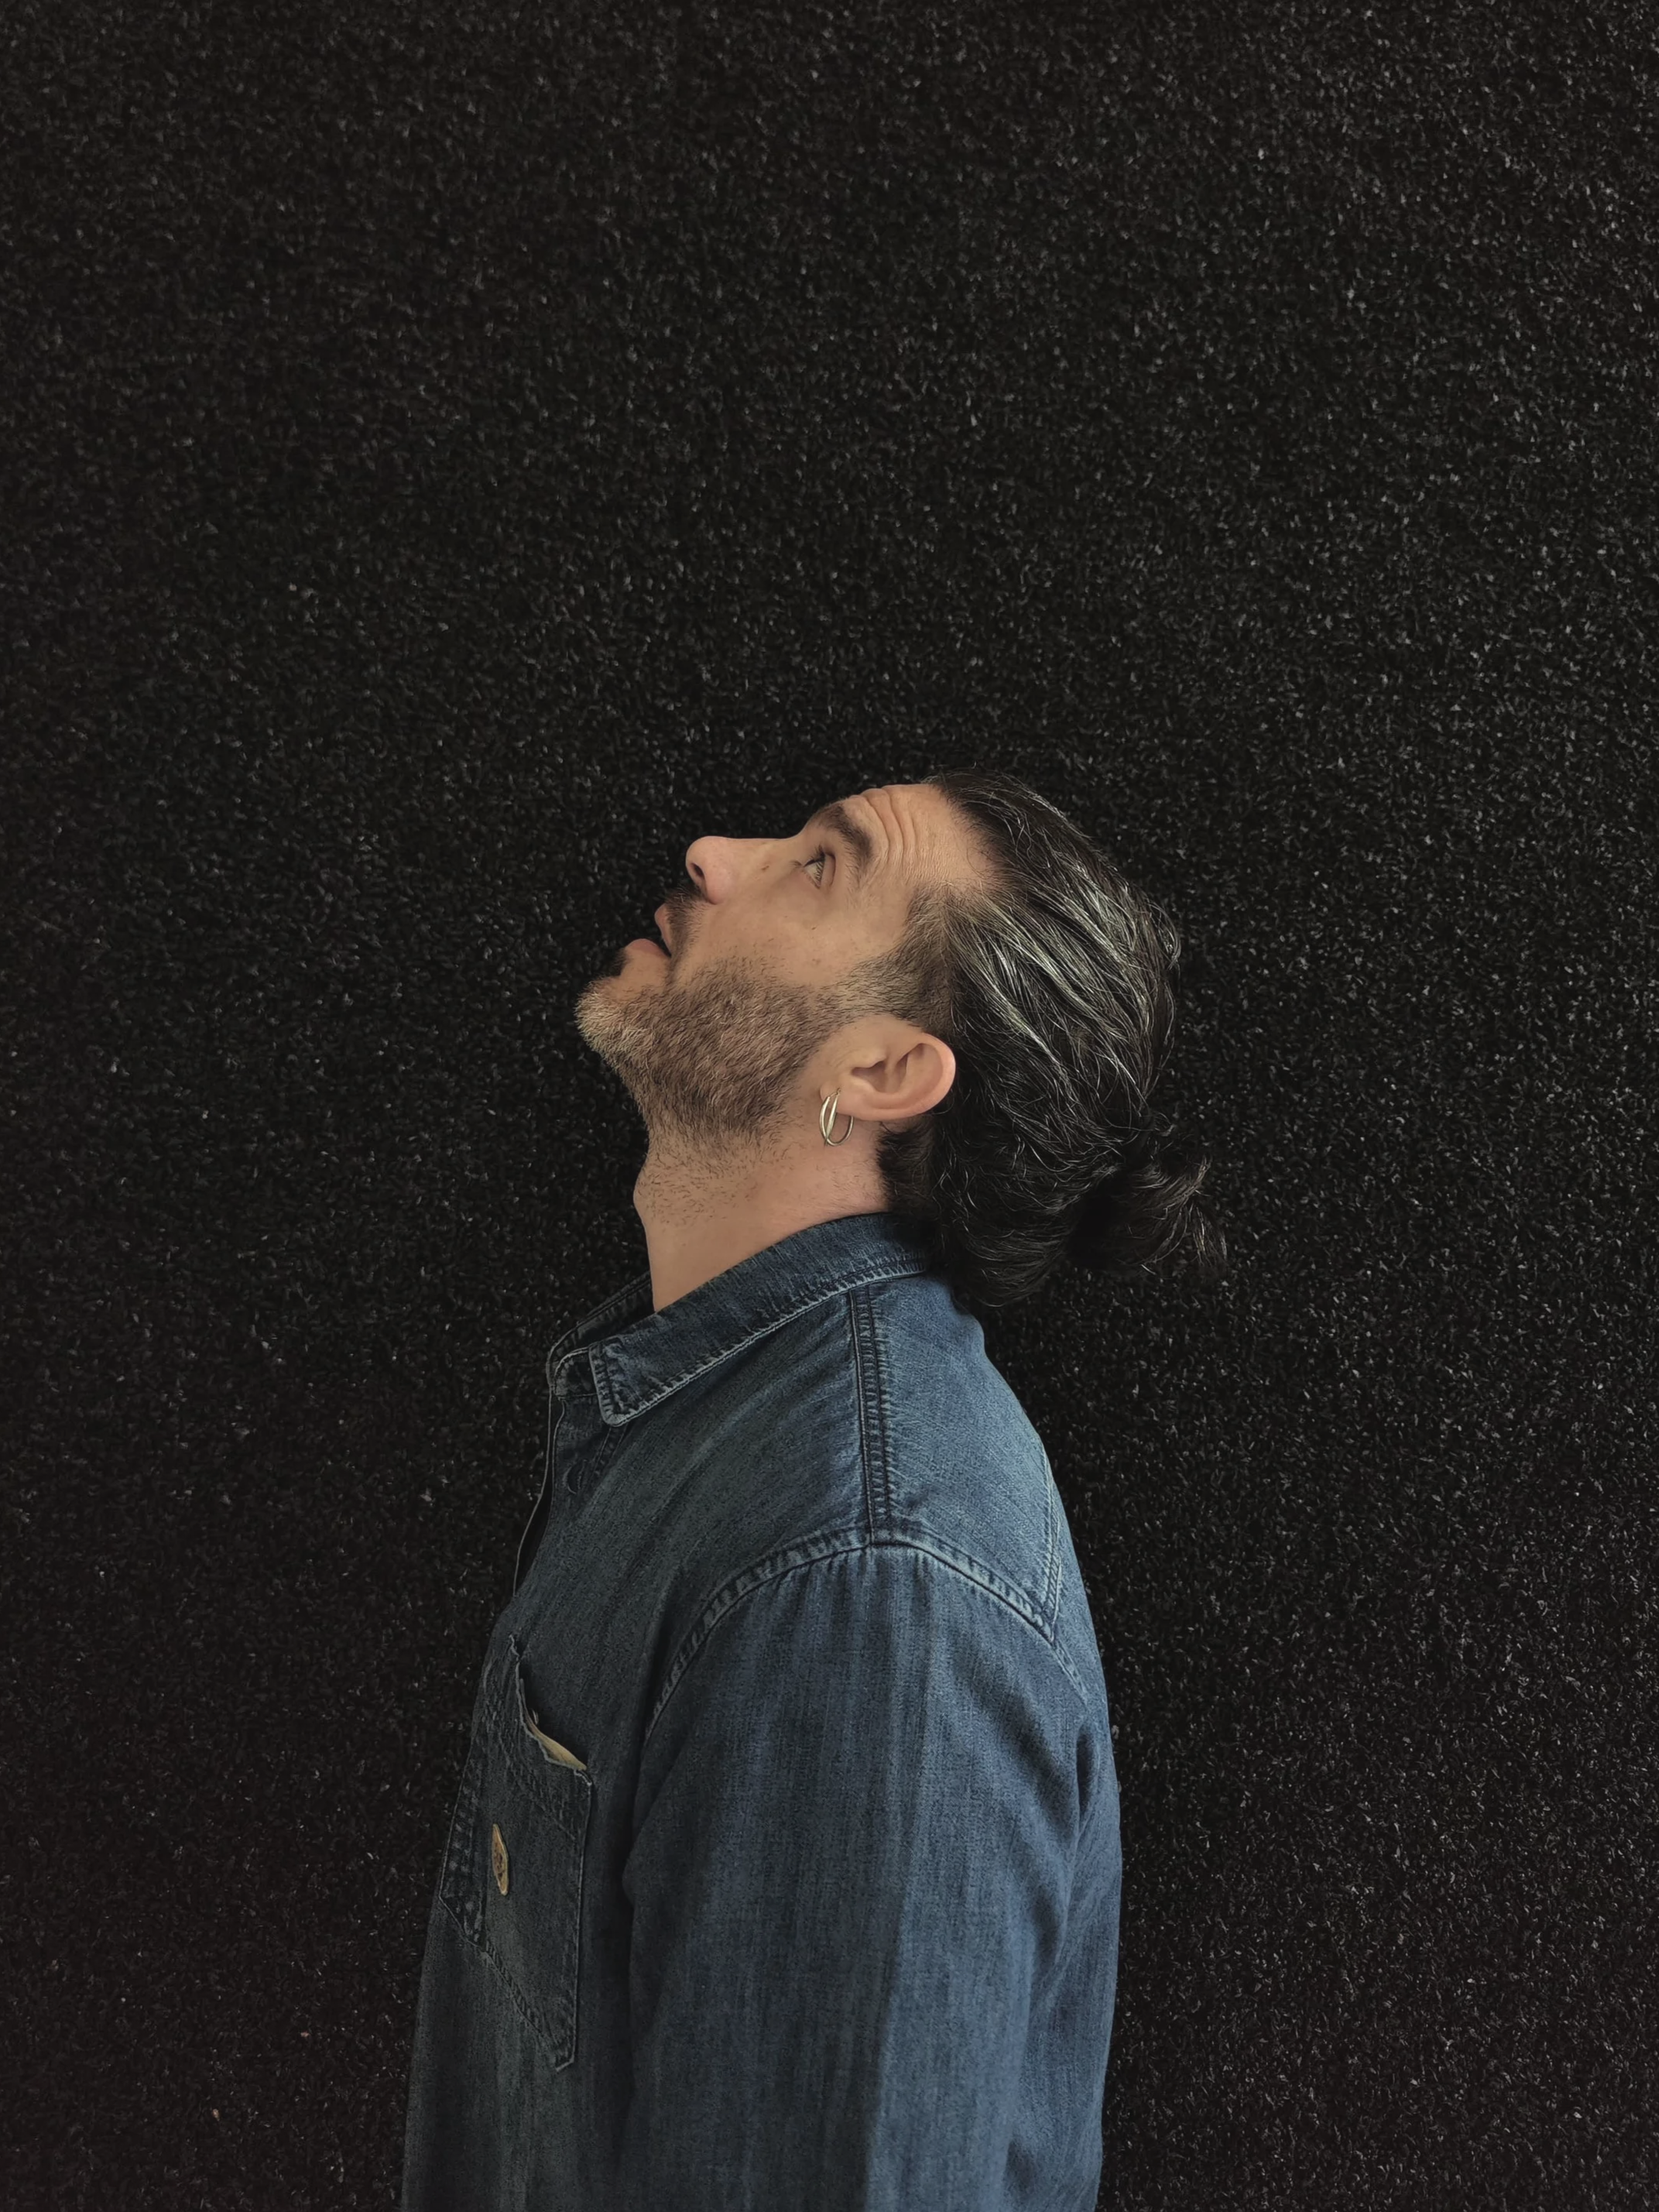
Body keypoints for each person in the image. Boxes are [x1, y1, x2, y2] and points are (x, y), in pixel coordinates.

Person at [400, 769, 1225, 2210]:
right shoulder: (716, 1430)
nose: (713, 854)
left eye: (818, 866)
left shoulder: (868, 1581)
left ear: (887, 1072)